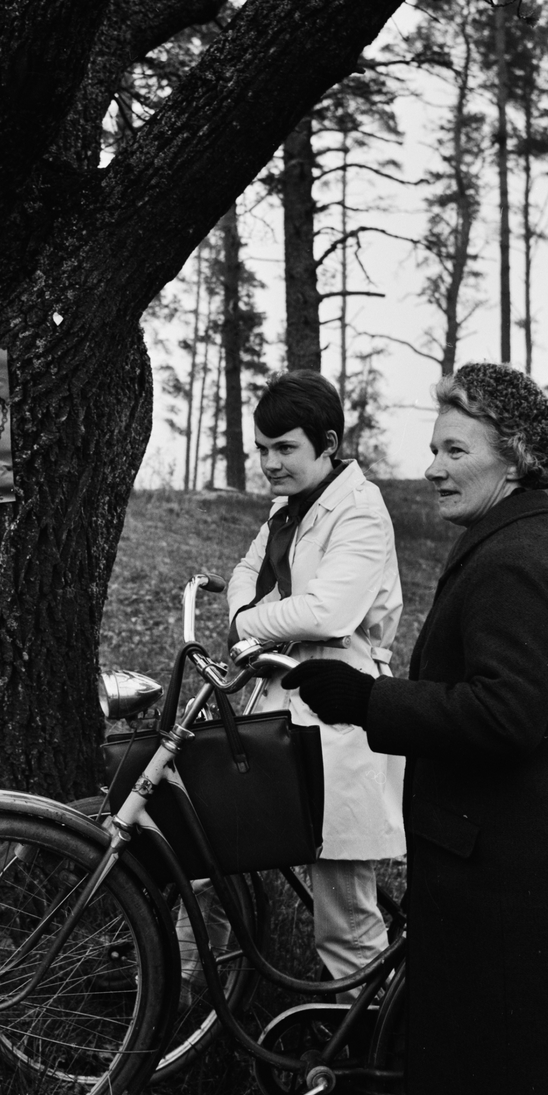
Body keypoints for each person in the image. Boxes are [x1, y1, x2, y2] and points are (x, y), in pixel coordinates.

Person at [282, 362, 548, 1095]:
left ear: (513, 458)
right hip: (544, 880)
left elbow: (507, 715)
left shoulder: (512, 562)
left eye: (456, 451)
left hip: (520, 894)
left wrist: (369, 699)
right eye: (434, 449)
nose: (433, 469)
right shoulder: (536, 540)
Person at [228, 369, 405, 985]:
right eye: (262, 449)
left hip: (340, 706)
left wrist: (252, 625)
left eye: (285, 448)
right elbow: (243, 579)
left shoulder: (360, 509)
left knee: (342, 906)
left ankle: (369, 1040)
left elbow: (329, 613)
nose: (270, 462)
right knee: (216, 847)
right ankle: (192, 990)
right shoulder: (287, 509)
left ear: (327, 445)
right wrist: (253, 618)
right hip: (282, 698)